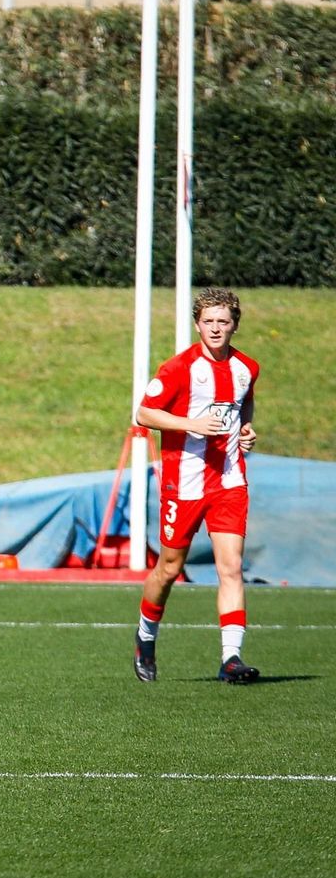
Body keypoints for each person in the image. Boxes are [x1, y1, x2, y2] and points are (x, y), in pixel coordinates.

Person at [133, 288, 261, 683]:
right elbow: (143, 413)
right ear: (197, 325)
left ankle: (230, 660)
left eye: (224, 321)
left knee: (232, 567)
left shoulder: (247, 368)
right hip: (183, 482)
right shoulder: (178, 368)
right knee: (169, 569)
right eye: (209, 321)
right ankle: (145, 638)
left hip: (229, 479)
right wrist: (190, 424)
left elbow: (245, 405)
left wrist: (247, 430)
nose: (216, 328)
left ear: (235, 324)